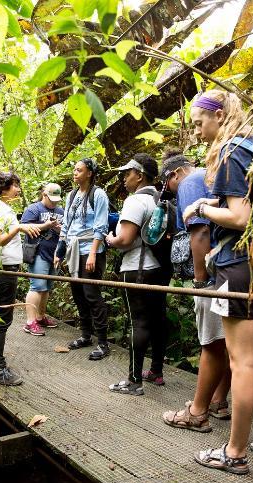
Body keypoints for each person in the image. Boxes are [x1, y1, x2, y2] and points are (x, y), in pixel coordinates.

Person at [182, 90, 253, 475]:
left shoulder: (232, 152)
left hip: (240, 266)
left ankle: (234, 452)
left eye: (199, 123)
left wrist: (201, 207)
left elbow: (240, 217)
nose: (197, 133)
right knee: (252, 355)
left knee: (241, 361)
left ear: (218, 116)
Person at [159, 149, 232, 430]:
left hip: (214, 274)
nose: (172, 192)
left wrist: (200, 282)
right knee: (226, 340)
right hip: (231, 269)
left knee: (211, 341)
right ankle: (219, 401)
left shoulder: (190, 182)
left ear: (175, 174)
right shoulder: (211, 176)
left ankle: (198, 412)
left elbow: (200, 232)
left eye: (169, 185)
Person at [105, 153, 171, 395]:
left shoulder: (135, 201)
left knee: (139, 323)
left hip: (136, 269)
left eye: (127, 173)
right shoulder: (160, 200)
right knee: (157, 320)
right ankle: (156, 372)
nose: (124, 178)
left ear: (140, 175)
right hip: (158, 269)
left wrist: (110, 240)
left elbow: (125, 239)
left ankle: (134, 381)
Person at [0, 172, 42, 385]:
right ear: (4, 187)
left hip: (2, 269)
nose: (18, 189)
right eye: (15, 185)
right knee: (2, 319)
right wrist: (18, 227)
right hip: (2, 270)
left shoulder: (0, 207)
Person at [54, 158, 111, 360]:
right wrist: (59, 252)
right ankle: (86, 335)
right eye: (74, 169)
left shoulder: (98, 194)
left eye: (79, 170)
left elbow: (101, 226)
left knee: (92, 294)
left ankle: (103, 342)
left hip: (90, 249)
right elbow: (66, 225)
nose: (75, 173)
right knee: (78, 293)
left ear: (89, 173)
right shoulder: (72, 195)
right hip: (74, 250)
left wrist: (93, 253)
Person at [21, 183, 64, 336]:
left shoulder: (60, 211)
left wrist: (59, 229)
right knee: (37, 286)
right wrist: (46, 225)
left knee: (46, 287)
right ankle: (29, 322)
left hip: (54, 254)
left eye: (56, 200)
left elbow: (65, 232)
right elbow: (23, 228)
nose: (54, 203)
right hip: (37, 252)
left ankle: (40, 317)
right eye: (51, 199)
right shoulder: (34, 209)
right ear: (44, 195)